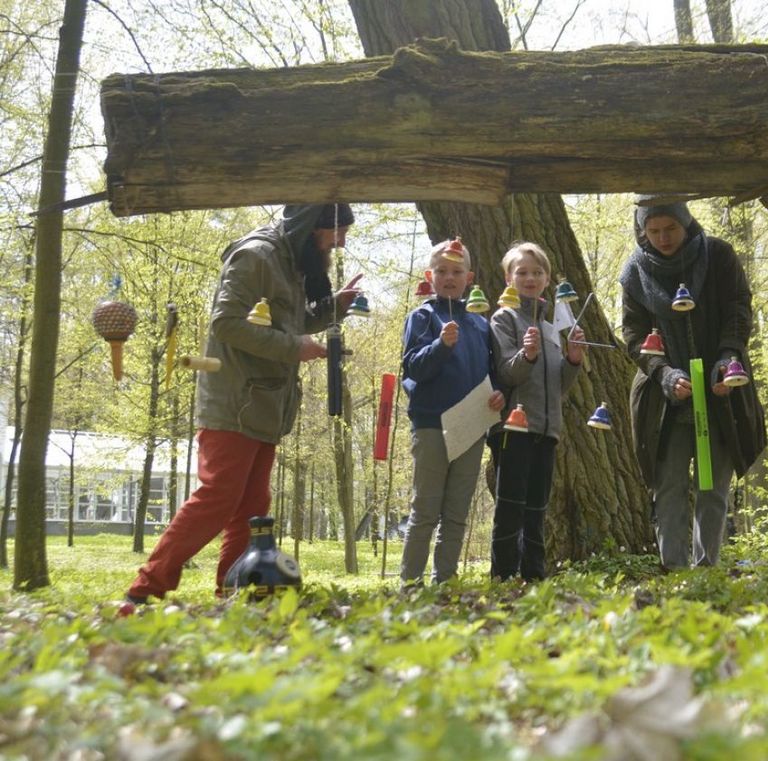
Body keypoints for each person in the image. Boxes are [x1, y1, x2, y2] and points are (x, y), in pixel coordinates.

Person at [122, 204, 362, 609]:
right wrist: (294, 348)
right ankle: (143, 590)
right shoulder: (256, 256)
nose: (340, 242)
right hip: (234, 401)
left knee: (251, 507)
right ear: (311, 227)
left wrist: (334, 306)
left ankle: (232, 593)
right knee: (218, 496)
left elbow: (289, 322)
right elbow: (227, 323)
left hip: (265, 404)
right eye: (335, 232)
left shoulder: (292, 260)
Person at [619, 197, 766, 570]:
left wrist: (726, 357)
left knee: (712, 486)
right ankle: (673, 569)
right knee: (668, 485)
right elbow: (634, 335)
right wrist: (664, 373)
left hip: (720, 391)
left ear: (686, 223)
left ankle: (707, 568)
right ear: (643, 231)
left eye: (670, 229)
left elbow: (738, 308)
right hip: (664, 400)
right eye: (653, 231)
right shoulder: (635, 272)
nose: (663, 238)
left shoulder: (718, 256)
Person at [400, 238, 505, 586]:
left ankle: (445, 581)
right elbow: (413, 367)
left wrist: (497, 396)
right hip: (431, 423)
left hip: (471, 425)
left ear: (469, 277)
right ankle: (410, 583)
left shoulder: (479, 323)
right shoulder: (422, 317)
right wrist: (441, 346)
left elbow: (491, 372)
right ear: (430, 276)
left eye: (456, 272)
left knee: (456, 511)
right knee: (426, 509)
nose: (449, 278)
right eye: (442, 271)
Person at [488, 242, 585, 581]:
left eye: (537, 272)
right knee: (511, 504)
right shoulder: (504, 318)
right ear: (508, 278)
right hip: (514, 428)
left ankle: (534, 574)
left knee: (536, 507)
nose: (530, 278)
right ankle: (503, 574)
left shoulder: (550, 327)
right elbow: (506, 373)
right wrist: (526, 355)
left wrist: (573, 359)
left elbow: (559, 386)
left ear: (547, 280)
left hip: (547, 428)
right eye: (522, 272)